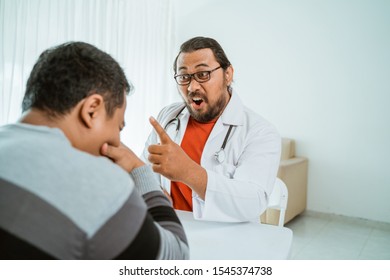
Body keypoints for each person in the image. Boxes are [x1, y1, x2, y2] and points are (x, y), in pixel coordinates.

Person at [0, 42, 189, 260]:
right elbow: (175, 258)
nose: (118, 140)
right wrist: (140, 169)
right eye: (119, 126)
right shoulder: (97, 182)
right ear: (91, 110)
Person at [142, 36, 281, 222]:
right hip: (171, 229)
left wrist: (188, 172)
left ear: (228, 74)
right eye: (184, 77)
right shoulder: (168, 117)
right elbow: (144, 172)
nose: (192, 87)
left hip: (228, 239)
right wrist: (153, 194)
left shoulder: (260, 132)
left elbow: (252, 203)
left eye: (203, 74)